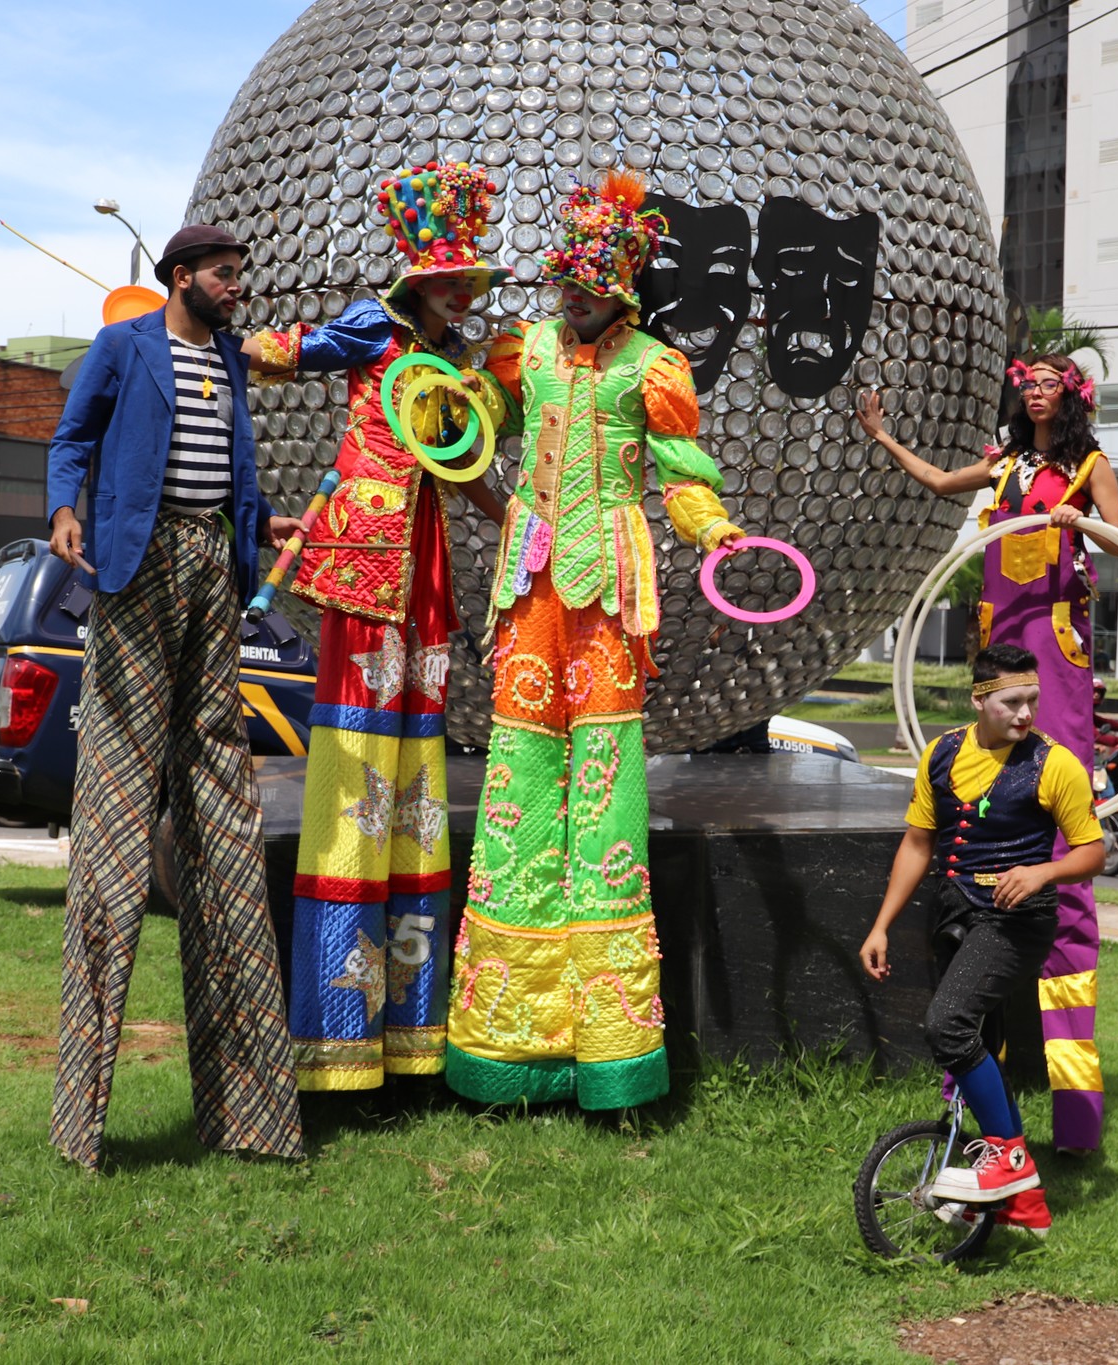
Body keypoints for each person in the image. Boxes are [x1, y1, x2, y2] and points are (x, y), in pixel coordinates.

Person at [443, 170, 744, 1109]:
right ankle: (506, 1043)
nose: (570, 296)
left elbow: (682, 474)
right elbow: (477, 423)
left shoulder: (654, 366)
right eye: (562, 280)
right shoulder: (522, 349)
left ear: (619, 287)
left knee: (608, 781)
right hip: (529, 580)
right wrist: (446, 415)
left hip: (610, 584)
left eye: (587, 283)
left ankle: (609, 1048)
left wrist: (716, 532)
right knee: (519, 778)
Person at [240, 161, 512, 1091]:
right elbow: (295, 350)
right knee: (354, 771)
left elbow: (463, 461)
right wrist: (228, 346)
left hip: (423, 563)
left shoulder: (451, 369)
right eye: (443, 281)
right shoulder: (376, 330)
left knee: (417, 786)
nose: (454, 293)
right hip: (363, 557)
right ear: (415, 284)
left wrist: (517, 518)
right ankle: (334, 1045)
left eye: (463, 283)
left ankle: (409, 1038)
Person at [44, 224, 306, 1170]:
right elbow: (72, 438)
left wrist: (257, 521)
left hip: (212, 568)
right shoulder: (126, 346)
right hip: (136, 567)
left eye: (242, 274)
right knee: (117, 810)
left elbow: (228, 466)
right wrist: (66, 510)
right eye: (226, 274)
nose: (238, 287)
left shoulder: (231, 362)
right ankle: (81, 1127)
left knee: (222, 819)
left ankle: (253, 1120)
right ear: (181, 277)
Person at [859, 354, 1118, 1155]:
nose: (1035, 387)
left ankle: (1073, 1121)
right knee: (975, 816)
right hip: (1000, 647)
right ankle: (971, 1098)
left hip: (1057, 649)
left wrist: (1086, 526)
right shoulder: (1007, 462)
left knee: (1054, 811)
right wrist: (881, 436)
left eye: (1050, 379)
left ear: (1070, 395)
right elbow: (943, 484)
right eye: (1028, 379)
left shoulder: (1089, 465)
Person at [858, 644, 1107, 1239]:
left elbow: (1093, 852)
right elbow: (918, 843)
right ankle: (1027, 1209)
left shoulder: (1056, 765)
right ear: (979, 700)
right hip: (954, 916)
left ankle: (1009, 1161)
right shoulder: (942, 752)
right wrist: (881, 924)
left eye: (1032, 702)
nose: (1025, 714)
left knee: (947, 1025)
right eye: (1012, 703)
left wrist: (1044, 872)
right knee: (978, 1044)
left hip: (1019, 923)